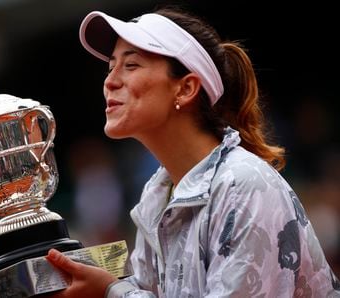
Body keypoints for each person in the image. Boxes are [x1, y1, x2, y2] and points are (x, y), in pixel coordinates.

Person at [45, 6, 340, 298]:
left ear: (185, 89)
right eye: (111, 67)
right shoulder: (156, 195)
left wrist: (112, 291)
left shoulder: (243, 184)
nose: (110, 81)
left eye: (131, 65)